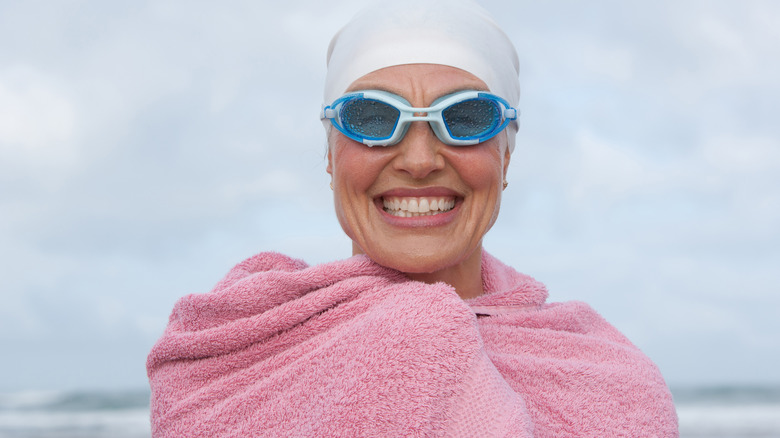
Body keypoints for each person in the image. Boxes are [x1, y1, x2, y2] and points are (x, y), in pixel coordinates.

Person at [147, 1, 678, 436]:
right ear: (332, 158)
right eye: (373, 117)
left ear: (506, 158)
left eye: (465, 117)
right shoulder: (230, 361)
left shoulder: (610, 384)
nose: (420, 159)